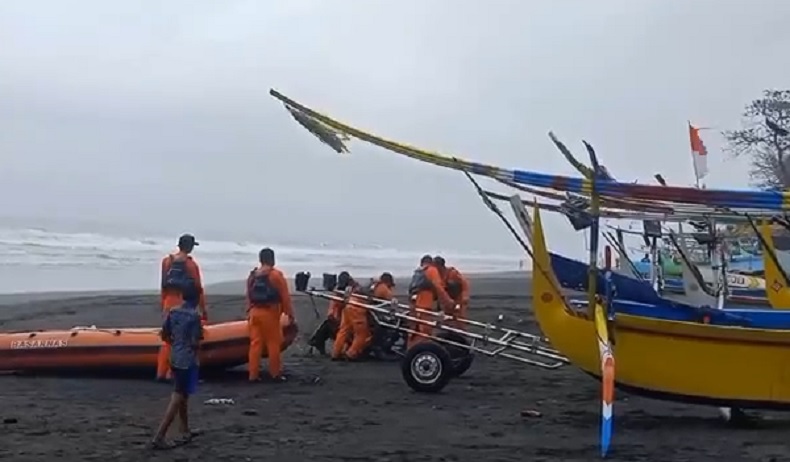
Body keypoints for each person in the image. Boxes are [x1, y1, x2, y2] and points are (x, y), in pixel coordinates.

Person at [150, 286, 203, 450]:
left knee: (183, 394)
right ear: (197, 299)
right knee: (179, 396)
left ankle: (185, 429)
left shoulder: (173, 312)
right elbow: (195, 341)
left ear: (182, 296)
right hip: (187, 359)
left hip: (174, 356)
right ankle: (159, 435)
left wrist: (176, 344)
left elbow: (165, 334)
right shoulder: (194, 316)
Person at [157, 234, 207, 381]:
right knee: (184, 340)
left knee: (168, 340)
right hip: (183, 302)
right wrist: (203, 310)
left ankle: (161, 372)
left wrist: (163, 302)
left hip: (169, 302)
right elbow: (198, 288)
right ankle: (172, 373)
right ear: (190, 247)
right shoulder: (191, 265)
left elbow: (163, 284)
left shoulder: (166, 261)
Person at [246, 247, 295, 382]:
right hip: (270, 313)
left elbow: (249, 295)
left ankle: (253, 374)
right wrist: (289, 314)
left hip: (254, 312)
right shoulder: (276, 275)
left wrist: (249, 311)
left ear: (260, 260)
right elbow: (285, 297)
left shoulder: (253, 275)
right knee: (274, 343)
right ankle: (275, 373)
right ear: (272, 260)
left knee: (255, 343)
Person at [408, 255, 454, 348]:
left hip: (415, 304)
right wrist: (448, 301)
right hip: (426, 304)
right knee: (425, 331)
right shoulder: (432, 270)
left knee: (414, 330)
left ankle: (411, 349)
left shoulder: (419, 272)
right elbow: (438, 287)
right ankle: (422, 350)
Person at [331, 273, 374, 361]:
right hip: (356, 307)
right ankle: (352, 353)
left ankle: (336, 353)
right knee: (362, 333)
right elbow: (366, 294)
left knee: (343, 331)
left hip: (348, 307)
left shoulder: (341, 289)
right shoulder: (355, 287)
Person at [307, 272, 350, 355]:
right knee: (328, 324)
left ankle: (316, 341)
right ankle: (316, 341)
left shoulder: (344, 292)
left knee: (328, 325)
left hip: (344, 321)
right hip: (339, 319)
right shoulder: (340, 292)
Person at [434, 256, 470, 329]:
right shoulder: (438, 276)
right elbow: (440, 292)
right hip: (447, 302)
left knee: (459, 320)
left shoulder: (452, 273)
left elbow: (464, 283)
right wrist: (439, 307)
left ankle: (461, 335)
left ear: (440, 265)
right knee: (447, 321)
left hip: (458, 300)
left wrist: (465, 296)